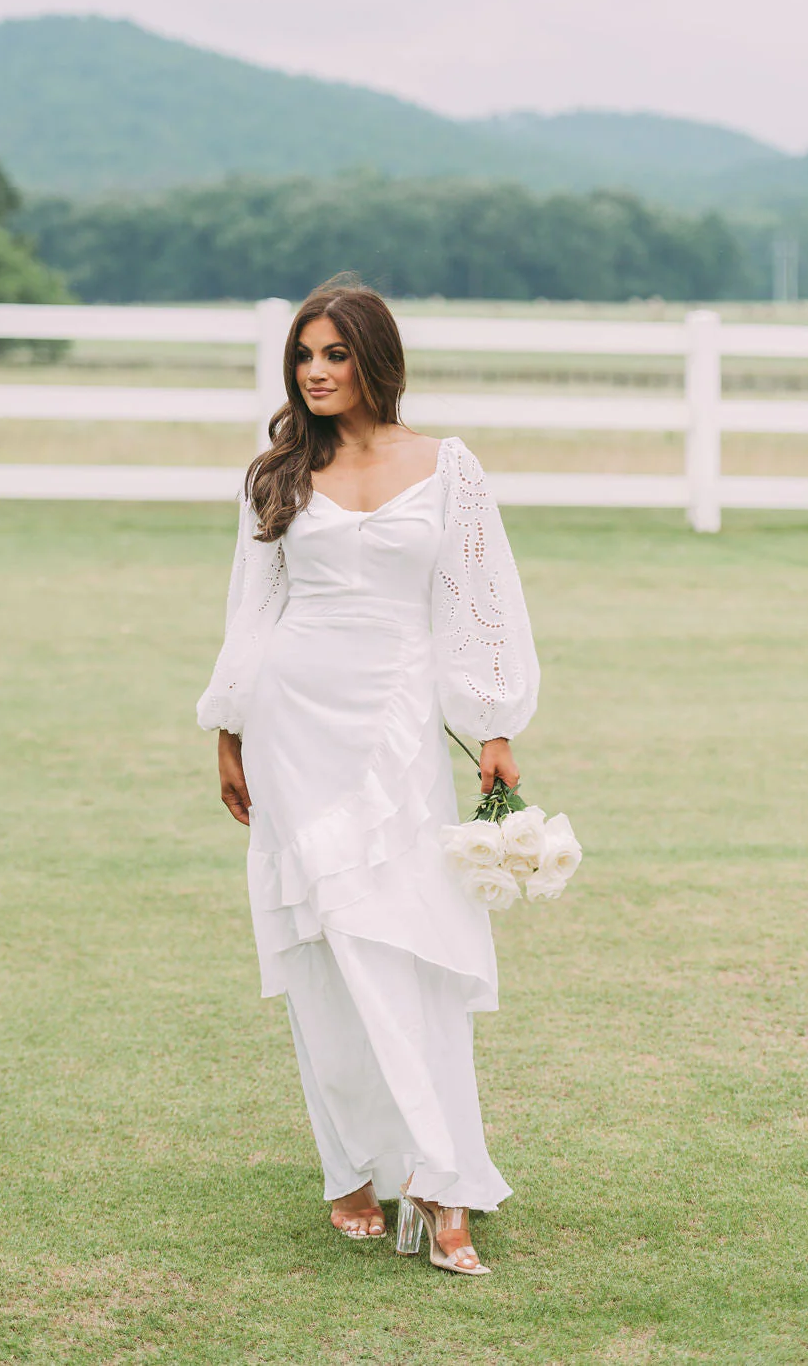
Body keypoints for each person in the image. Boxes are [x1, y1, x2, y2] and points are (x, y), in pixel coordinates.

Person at [196, 278, 539, 1276]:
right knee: (327, 946)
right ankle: (350, 1168)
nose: (315, 371)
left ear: (375, 361)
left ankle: (440, 1177)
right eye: (304, 355)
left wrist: (492, 727)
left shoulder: (447, 470)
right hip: (290, 723)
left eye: (335, 354)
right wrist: (226, 723)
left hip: (393, 725)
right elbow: (251, 607)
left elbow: (480, 597)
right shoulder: (276, 474)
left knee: (407, 941)